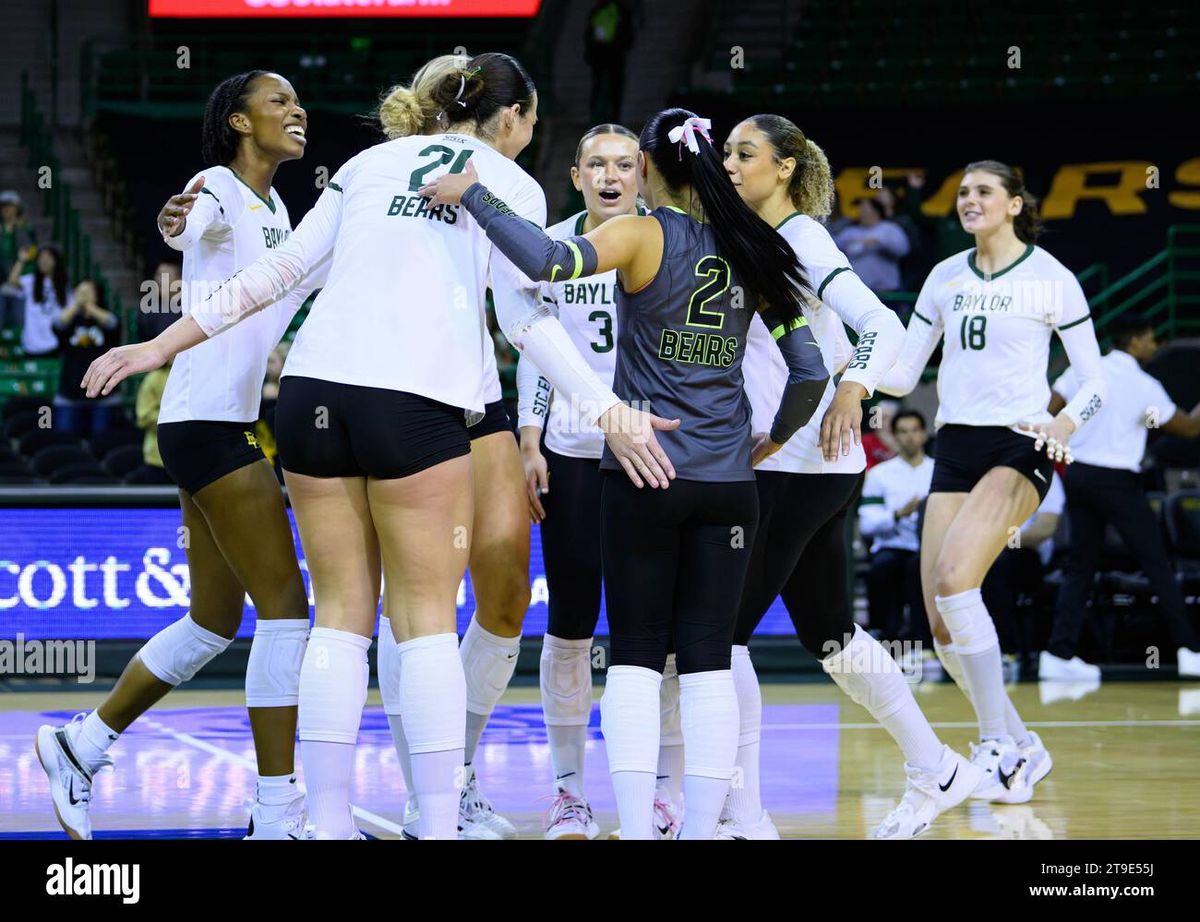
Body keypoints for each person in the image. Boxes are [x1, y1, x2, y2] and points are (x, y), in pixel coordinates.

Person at [82, 53, 672, 841]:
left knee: (338, 623)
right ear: (516, 118)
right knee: (424, 619)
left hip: (312, 399)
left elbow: (279, 275)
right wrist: (605, 410)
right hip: (415, 402)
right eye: (530, 123)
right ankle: (435, 822)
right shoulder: (511, 181)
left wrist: (163, 344)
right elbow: (526, 322)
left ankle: (323, 828)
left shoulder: (366, 163)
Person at [421, 106, 832, 840]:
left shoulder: (643, 234)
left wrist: (476, 194)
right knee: (707, 661)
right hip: (729, 483)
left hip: (644, 473)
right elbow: (809, 372)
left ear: (648, 169)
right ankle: (703, 826)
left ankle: (638, 827)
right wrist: (772, 440)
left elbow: (546, 262)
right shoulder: (753, 248)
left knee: (637, 656)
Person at [37, 71, 321, 840]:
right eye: (277, 102)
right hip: (206, 424)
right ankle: (273, 812)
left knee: (210, 622)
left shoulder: (280, 206)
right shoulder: (217, 186)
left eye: (298, 102)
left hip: (214, 422)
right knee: (288, 616)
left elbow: (282, 291)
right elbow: (183, 225)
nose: (296, 111)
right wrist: (175, 222)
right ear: (237, 120)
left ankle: (79, 743)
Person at [720, 114, 977, 841]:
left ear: (785, 167)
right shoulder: (757, 238)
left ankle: (745, 815)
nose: (732, 166)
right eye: (727, 153)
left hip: (800, 463)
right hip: (819, 466)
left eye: (746, 154)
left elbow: (882, 327)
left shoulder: (803, 239)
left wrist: (853, 387)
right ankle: (937, 769)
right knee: (829, 633)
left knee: (722, 638)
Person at [877, 159, 1109, 805]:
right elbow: (902, 372)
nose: (969, 201)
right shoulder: (944, 276)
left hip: (1021, 443)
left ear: (1014, 204)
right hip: (956, 444)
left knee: (956, 581)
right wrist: (852, 365)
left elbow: (1095, 378)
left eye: (983, 192)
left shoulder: (1049, 277)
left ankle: (995, 745)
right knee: (941, 622)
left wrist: (1065, 424)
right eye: (962, 193)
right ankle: (1022, 741)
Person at [369, 53, 535, 842]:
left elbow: (523, 316)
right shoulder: (387, 177)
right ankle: (424, 794)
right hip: (397, 402)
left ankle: (455, 778)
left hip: (480, 401)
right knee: (413, 614)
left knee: (505, 601)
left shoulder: (502, 188)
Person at [513, 122, 681, 840]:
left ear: (641, 173)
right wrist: (528, 437)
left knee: (659, 635)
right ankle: (569, 790)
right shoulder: (552, 247)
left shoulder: (670, 240)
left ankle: (665, 790)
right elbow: (531, 344)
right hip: (575, 456)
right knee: (573, 627)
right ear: (576, 175)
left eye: (623, 164)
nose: (610, 176)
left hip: (651, 454)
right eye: (595, 165)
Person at [1047, 312, 1200, 679]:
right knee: (1156, 563)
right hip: (1117, 482)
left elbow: (1050, 410)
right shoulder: (1143, 385)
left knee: (1079, 565)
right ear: (1134, 341)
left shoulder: (1086, 371)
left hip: (1079, 475)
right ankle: (1189, 651)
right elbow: (1189, 429)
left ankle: (1058, 655)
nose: (1155, 345)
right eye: (1151, 338)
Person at [859, 409, 934, 643]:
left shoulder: (939, 471)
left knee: (918, 567)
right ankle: (881, 633)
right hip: (892, 545)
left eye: (914, 431)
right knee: (883, 567)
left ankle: (925, 640)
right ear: (894, 436)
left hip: (930, 548)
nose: (909, 437)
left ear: (923, 434)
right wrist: (898, 514)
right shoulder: (879, 474)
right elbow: (867, 524)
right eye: (903, 432)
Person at [981, 470, 1064, 673]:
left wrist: (1004, 541)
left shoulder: (1043, 473)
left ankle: (1007, 651)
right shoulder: (983, 471)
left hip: (1025, 552)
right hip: (983, 550)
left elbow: (1045, 527)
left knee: (997, 566)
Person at [51, 279, 123, 438]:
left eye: (88, 292)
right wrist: (76, 305)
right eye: (80, 292)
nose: (83, 296)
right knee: (65, 442)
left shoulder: (105, 318)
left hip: (104, 396)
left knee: (103, 442)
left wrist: (90, 307)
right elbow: (57, 325)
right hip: (70, 394)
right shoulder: (70, 320)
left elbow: (113, 324)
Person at [833, 194, 910, 295]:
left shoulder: (889, 228)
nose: (861, 211)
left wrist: (880, 242)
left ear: (876, 211)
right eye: (860, 208)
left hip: (886, 290)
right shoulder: (850, 232)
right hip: (857, 290)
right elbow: (833, 248)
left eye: (865, 208)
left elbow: (903, 250)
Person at [6, 243, 68, 357]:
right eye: (41, 258)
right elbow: (12, 281)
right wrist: (21, 261)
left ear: (55, 260)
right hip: (31, 343)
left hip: (54, 343)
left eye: (48, 257)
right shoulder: (31, 281)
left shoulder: (63, 284)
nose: (44, 261)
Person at [583, 0, 635, 123]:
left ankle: (598, 116)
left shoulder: (601, 9)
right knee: (611, 87)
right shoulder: (617, 10)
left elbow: (589, 32)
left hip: (605, 52)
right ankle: (610, 117)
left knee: (601, 86)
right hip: (610, 53)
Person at [0, 190, 37, 331]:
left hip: (20, 282)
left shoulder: (26, 229)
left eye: (10, 205)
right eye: (3, 206)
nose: (6, 209)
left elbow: (31, 254)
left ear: (17, 208)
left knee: (21, 320)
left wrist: (19, 280)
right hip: (1, 282)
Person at [860, 397, 900, 469]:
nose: (887, 423)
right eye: (882, 418)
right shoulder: (865, 441)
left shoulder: (903, 440)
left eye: (890, 418)